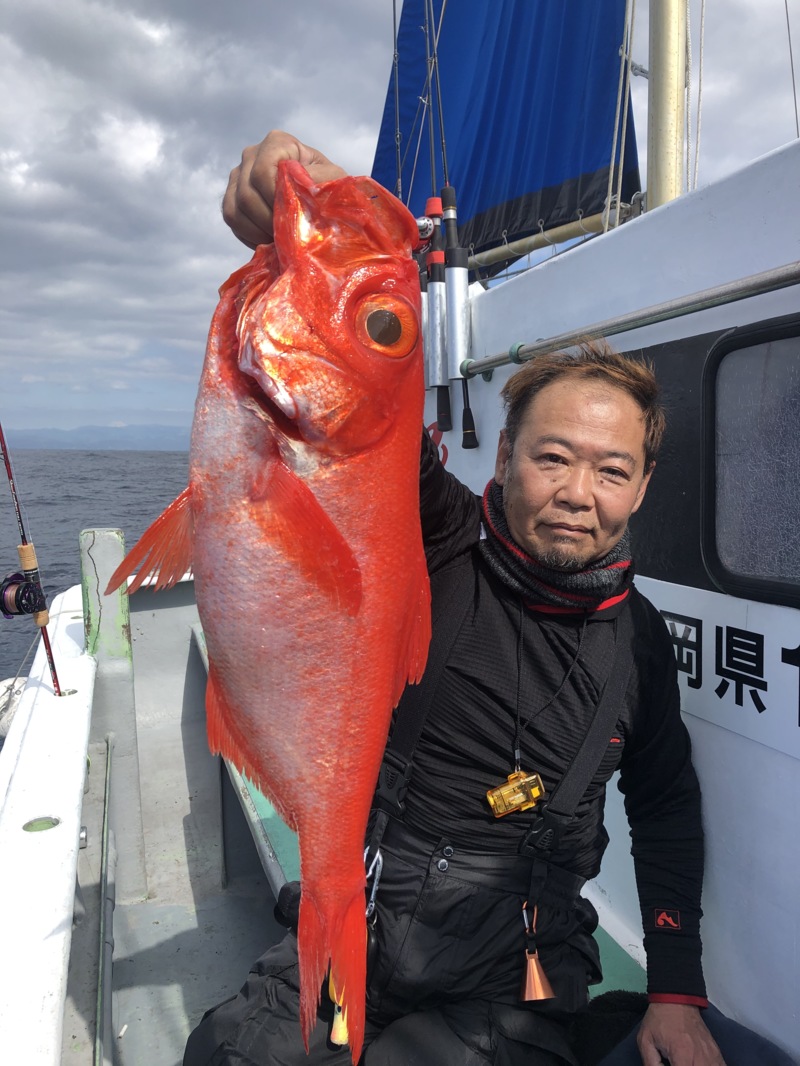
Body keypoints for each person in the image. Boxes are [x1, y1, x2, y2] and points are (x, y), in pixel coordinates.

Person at [184, 132, 794, 1066]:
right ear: (503, 459)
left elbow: (664, 804)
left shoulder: (638, 644)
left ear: (641, 487)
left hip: (517, 975)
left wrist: (673, 988)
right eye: (551, 457)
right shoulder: (437, 537)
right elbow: (353, 436)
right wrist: (308, 181)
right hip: (365, 927)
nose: (577, 493)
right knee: (234, 1052)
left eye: (611, 470)